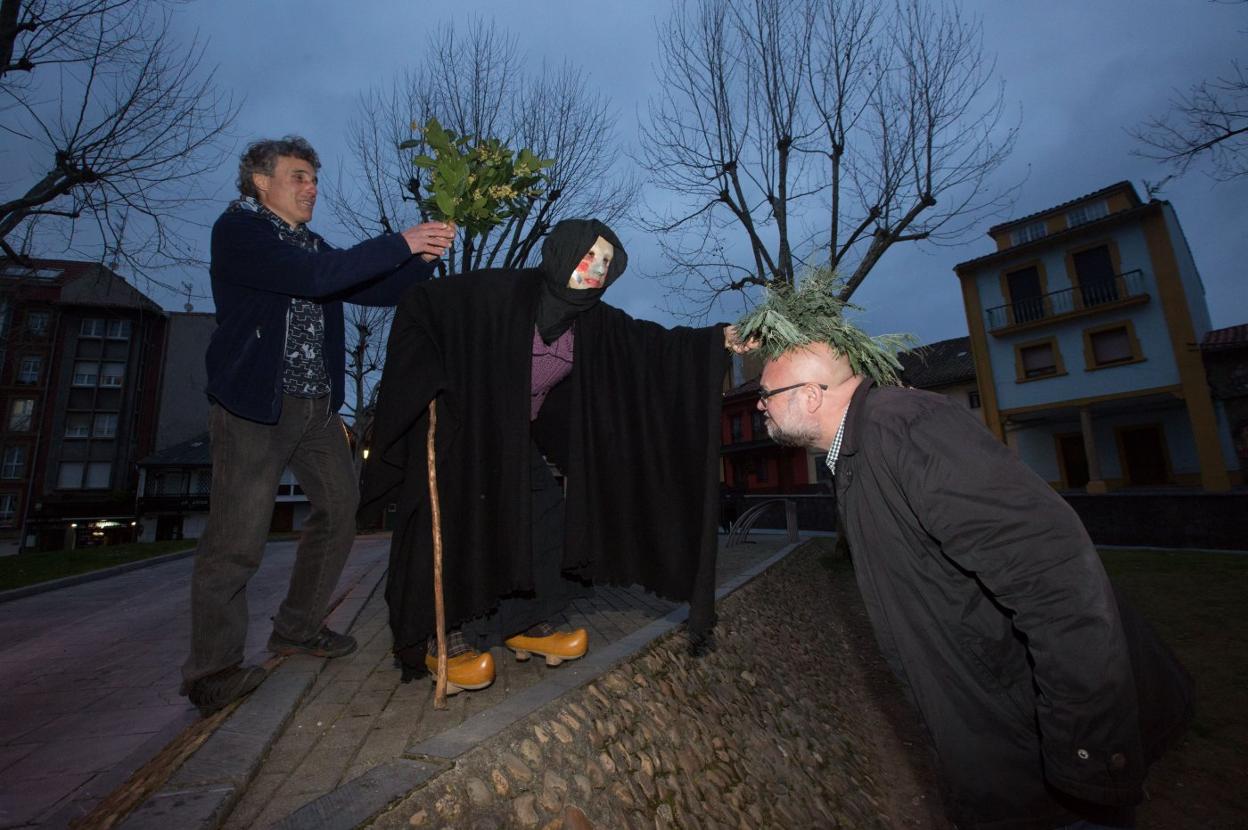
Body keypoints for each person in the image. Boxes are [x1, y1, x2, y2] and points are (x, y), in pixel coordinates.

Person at [753, 335, 1193, 829]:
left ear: (810, 395)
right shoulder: (858, 455)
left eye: (767, 394)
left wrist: (1086, 755)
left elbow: (1055, 580)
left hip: (1045, 760)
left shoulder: (908, 427)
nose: (759, 404)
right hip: (1005, 744)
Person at [361, 219, 748, 693]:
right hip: (461, 430)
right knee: (462, 522)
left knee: (543, 511)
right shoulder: (503, 293)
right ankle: (443, 636)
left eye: (605, 262)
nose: (596, 270)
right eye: (588, 258)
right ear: (563, 255)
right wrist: (427, 375)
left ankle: (526, 620)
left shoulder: (591, 321)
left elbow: (651, 346)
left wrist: (719, 339)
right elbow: (426, 303)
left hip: (510, 437)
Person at [181, 136, 455, 716]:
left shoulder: (309, 243)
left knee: (341, 506)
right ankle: (211, 670)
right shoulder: (240, 232)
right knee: (237, 539)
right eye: (299, 176)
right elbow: (313, 277)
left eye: (315, 178)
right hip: (255, 405)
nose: (312, 188)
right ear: (261, 180)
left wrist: (421, 261)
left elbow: (371, 288)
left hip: (315, 407)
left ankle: (298, 628)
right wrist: (401, 240)